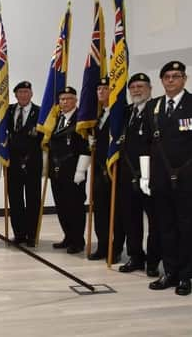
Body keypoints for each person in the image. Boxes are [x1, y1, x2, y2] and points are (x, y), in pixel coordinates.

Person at [139, 61, 192, 296]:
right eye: (167, 76)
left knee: (187, 227)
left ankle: (185, 276)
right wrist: (145, 175)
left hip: (188, 177)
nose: (171, 80)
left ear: (184, 79)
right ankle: (169, 272)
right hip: (160, 177)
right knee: (164, 227)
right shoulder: (153, 107)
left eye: (176, 76)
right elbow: (146, 145)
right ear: (161, 80)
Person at [118, 73, 161, 276]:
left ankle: (153, 261)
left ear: (150, 88)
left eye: (141, 86)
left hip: (151, 175)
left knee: (155, 222)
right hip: (128, 174)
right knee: (130, 219)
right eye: (133, 87)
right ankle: (136, 257)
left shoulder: (157, 111)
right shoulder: (126, 112)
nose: (136, 90)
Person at [47, 87, 90, 254]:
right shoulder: (56, 119)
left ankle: (78, 241)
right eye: (62, 99)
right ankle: (68, 236)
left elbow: (85, 148)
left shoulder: (81, 120)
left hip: (74, 171)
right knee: (62, 206)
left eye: (69, 98)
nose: (65, 102)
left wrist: (81, 171)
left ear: (76, 100)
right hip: (57, 171)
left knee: (75, 207)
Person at [88, 77, 124, 263]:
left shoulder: (120, 114)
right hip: (99, 171)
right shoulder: (101, 114)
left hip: (114, 171)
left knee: (116, 213)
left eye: (106, 88)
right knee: (100, 211)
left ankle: (115, 249)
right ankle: (102, 246)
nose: (101, 91)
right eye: (99, 88)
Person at [4, 81, 42, 247]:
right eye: (20, 92)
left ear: (31, 93)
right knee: (15, 199)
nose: (23, 95)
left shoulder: (40, 112)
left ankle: (32, 235)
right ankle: (19, 233)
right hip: (13, 164)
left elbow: (43, 138)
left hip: (32, 163)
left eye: (26, 91)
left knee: (33, 200)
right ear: (16, 94)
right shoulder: (9, 111)